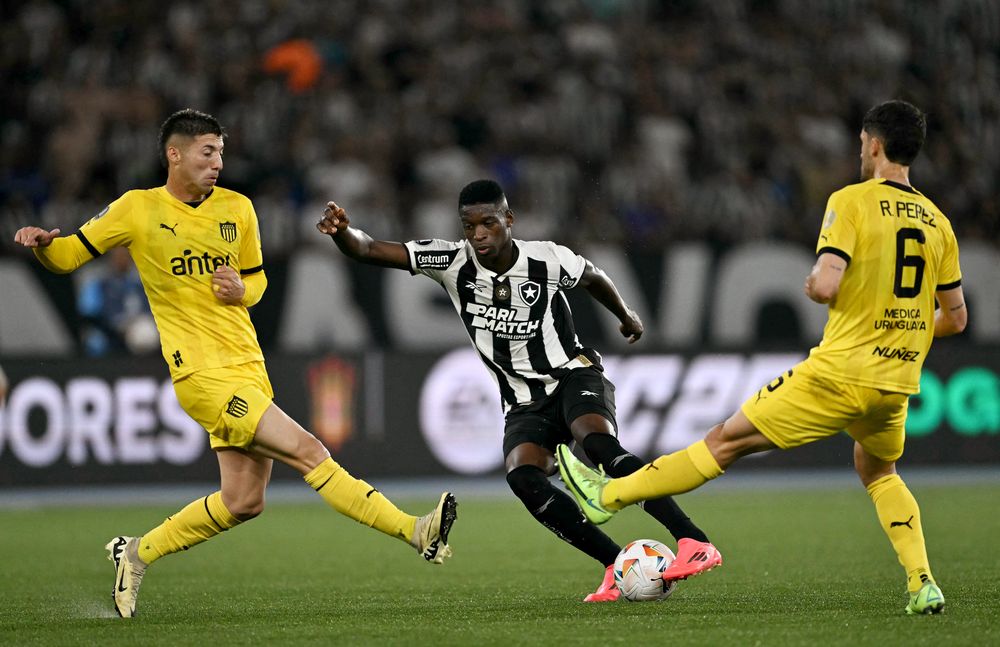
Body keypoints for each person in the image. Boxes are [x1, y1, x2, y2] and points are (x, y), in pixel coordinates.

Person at [14, 109, 457, 618]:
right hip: (201, 375)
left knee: (244, 501)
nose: (218, 161)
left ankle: (137, 552)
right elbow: (69, 256)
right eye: (207, 151)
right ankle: (414, 530)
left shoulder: (238, 209)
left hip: (248, 366)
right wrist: (45, 247)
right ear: (174, 154)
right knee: (310, 451)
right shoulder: (136, 209)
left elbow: (259, 281)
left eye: (221, 152)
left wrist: (241, 289)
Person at [556, 100, 966, 615]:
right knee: (880, 471)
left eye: (863, 144)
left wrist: (818, 285)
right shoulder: (939, 223)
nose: (861, 152)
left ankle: (610, 496)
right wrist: (897, 329)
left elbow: (827, 282)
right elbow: (954, 319)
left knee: (724, 442)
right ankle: (922, 581)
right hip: (896, 383)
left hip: (838, 374)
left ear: (875, 145)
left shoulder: (853, 201)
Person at [316, 179, 721, 602]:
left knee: (598, 443)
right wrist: (344, 232)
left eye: (488, 223)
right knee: (523, 477)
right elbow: (368, 248)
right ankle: (615, 564)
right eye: (469, 226)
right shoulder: (452, 261)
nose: (478, 234)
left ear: (508, 219)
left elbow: (594, 277)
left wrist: (627, 316)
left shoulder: (546, 258)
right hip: (523, 402)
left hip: (572, 375)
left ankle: (693, 540)